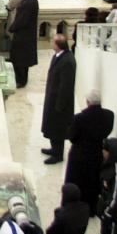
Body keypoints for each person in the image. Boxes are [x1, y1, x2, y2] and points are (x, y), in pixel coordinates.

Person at [65, 89, 114, 215]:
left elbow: (72, 137)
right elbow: (107, 131)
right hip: (96, 154)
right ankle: (91, 209)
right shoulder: (109, 116)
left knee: (76, 181)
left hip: (79, 155)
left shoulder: (79, 118)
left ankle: (72, 208)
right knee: (92, 183)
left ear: (88, 102)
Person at [42, 34, 76, 164]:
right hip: (53, 99)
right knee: (52, 127)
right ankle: (54, 149)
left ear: (57, 45)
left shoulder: (67, 61)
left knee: (58, 128)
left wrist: (60, 105)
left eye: (53, 41)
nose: (51, 43)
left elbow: (65, 85)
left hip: (59, 103)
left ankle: (58, 154)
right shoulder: (59, 56)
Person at [7, 0, 39, 88]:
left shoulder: (29, 2)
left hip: (24, 35)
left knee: (21, 59)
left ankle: (21, 81)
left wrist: (12, 28)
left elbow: (22, 20)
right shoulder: (29, 0)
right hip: (24, 34)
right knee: (20, 58)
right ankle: (20, 78)